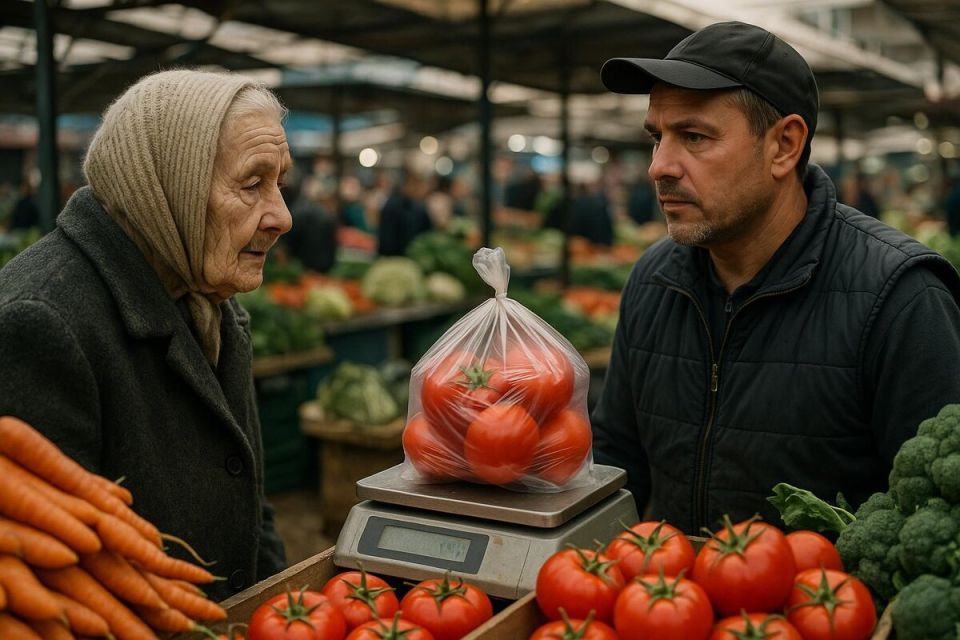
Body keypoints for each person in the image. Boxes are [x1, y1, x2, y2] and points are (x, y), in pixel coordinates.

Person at [592, 21, 960, 534]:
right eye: (658, 137)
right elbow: (617, 460)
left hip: (828, 610)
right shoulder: (654, 281)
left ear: (784, 146)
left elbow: (939, 515)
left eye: (694, 137)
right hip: (673, 605)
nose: (659, 166)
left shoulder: (899, 298)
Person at [0, 69, 291, 600]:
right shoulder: (40, 323)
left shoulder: (209, 303)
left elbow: (250, 503)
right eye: (252, 184)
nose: (282, 216)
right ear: (167, 184)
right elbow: (52, 593)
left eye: (280, 183)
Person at [281, 171, 338, 273]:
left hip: (302, 265)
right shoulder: (326, 213)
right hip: (324, 266)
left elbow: (289, 239)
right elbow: (332, 242)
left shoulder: (297, 209)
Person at [377, 169, 432, 256]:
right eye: (417, 185)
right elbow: (387, 241)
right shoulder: (393, 206)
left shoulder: (418, 208)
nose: (421, 189)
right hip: (394, 258)